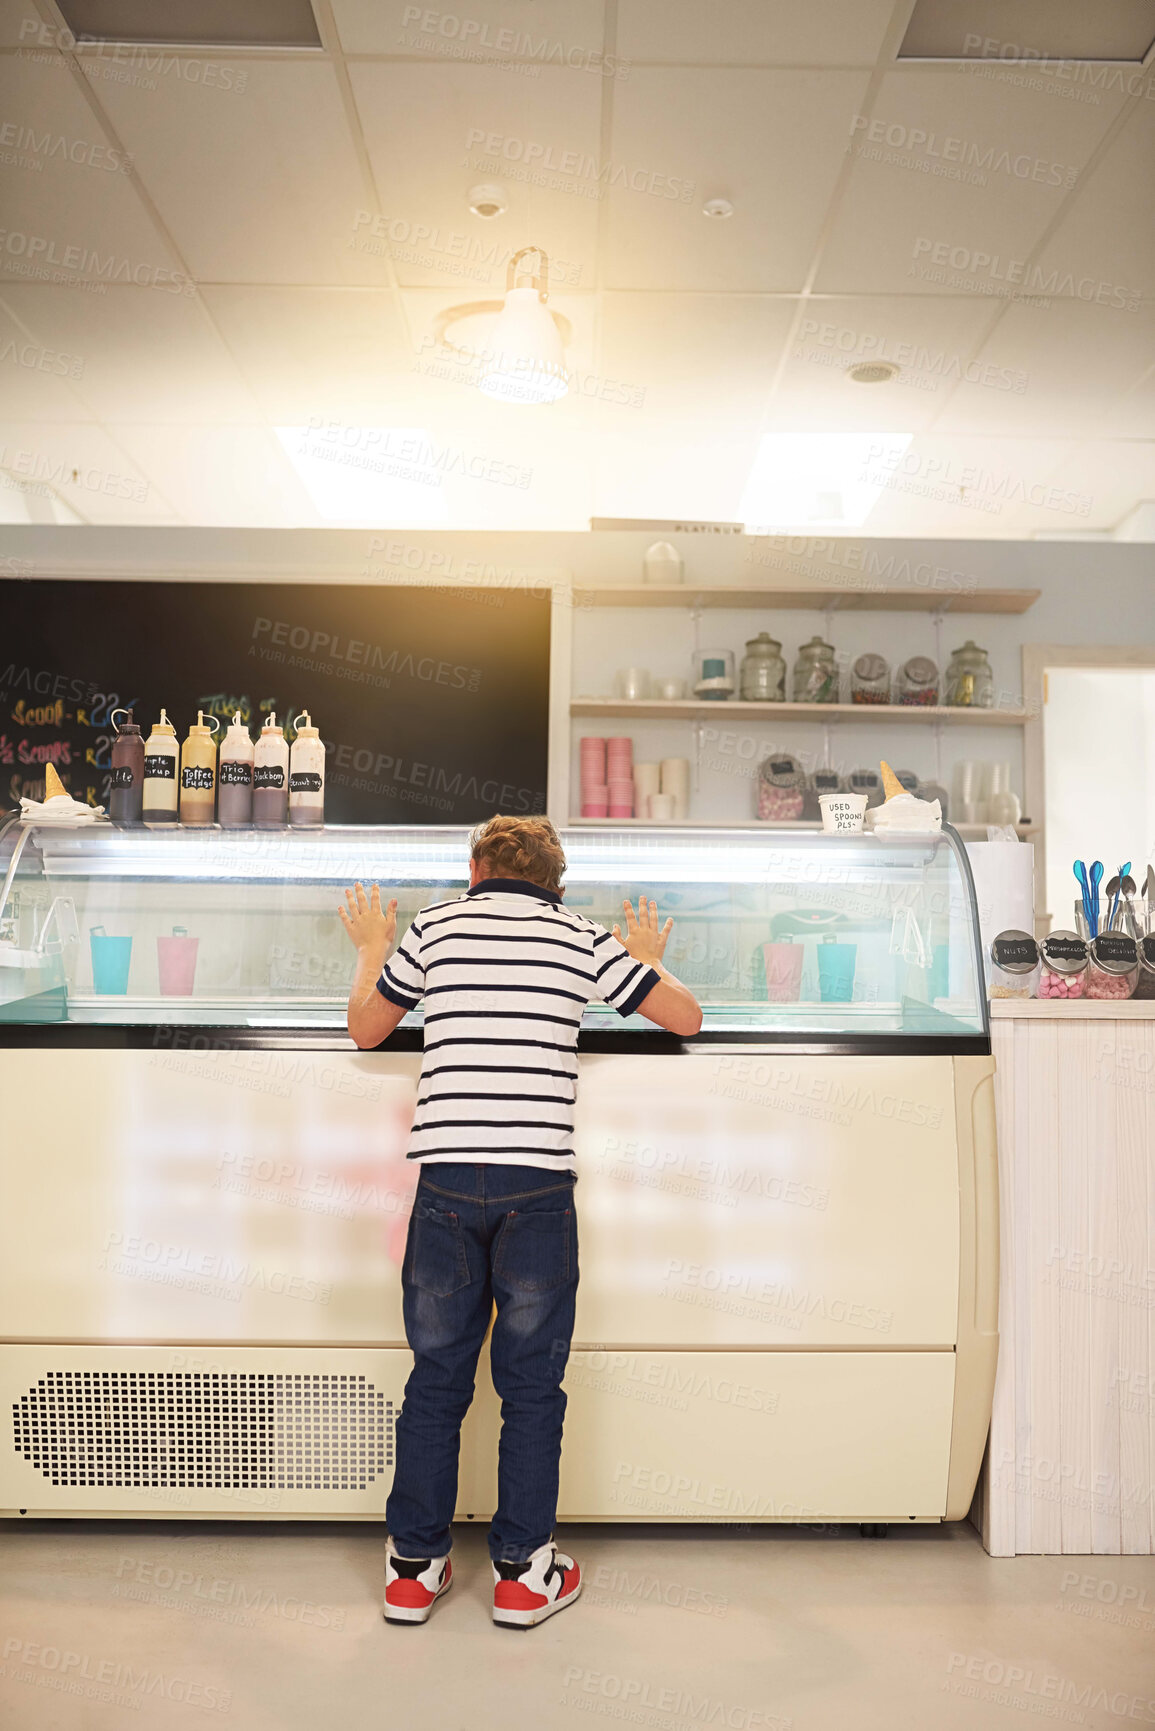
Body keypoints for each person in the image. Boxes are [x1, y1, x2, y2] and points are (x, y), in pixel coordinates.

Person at [340, 814, 702, 1629]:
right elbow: (686, 1018)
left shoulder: (434, 926)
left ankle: (411, 1571)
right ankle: (521, 1576)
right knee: (530, 1386)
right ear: (556, 881)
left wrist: (370, 947)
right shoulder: (577, 935)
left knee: (436, 1379)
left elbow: (367, 1027)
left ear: (474, 867)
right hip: (536, 1183)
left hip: (443, 1182)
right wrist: (644, 962)